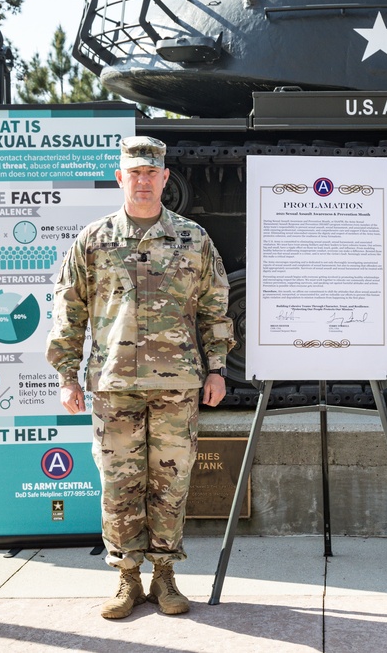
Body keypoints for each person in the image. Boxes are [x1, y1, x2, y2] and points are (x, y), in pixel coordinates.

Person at [46, 135, 235, 619]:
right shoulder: (93, 240)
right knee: (119, 484)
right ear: (121, 178)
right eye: (135, 172)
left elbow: (215, 306)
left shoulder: (193, 239)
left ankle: (165, 577)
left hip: (177, 384)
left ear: (166, 178)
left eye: (152, 172)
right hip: (115, 385)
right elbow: (69, 309)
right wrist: (67, 374)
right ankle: (127, 580)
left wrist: (217, 368)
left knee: (170, 483)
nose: (144, 180)